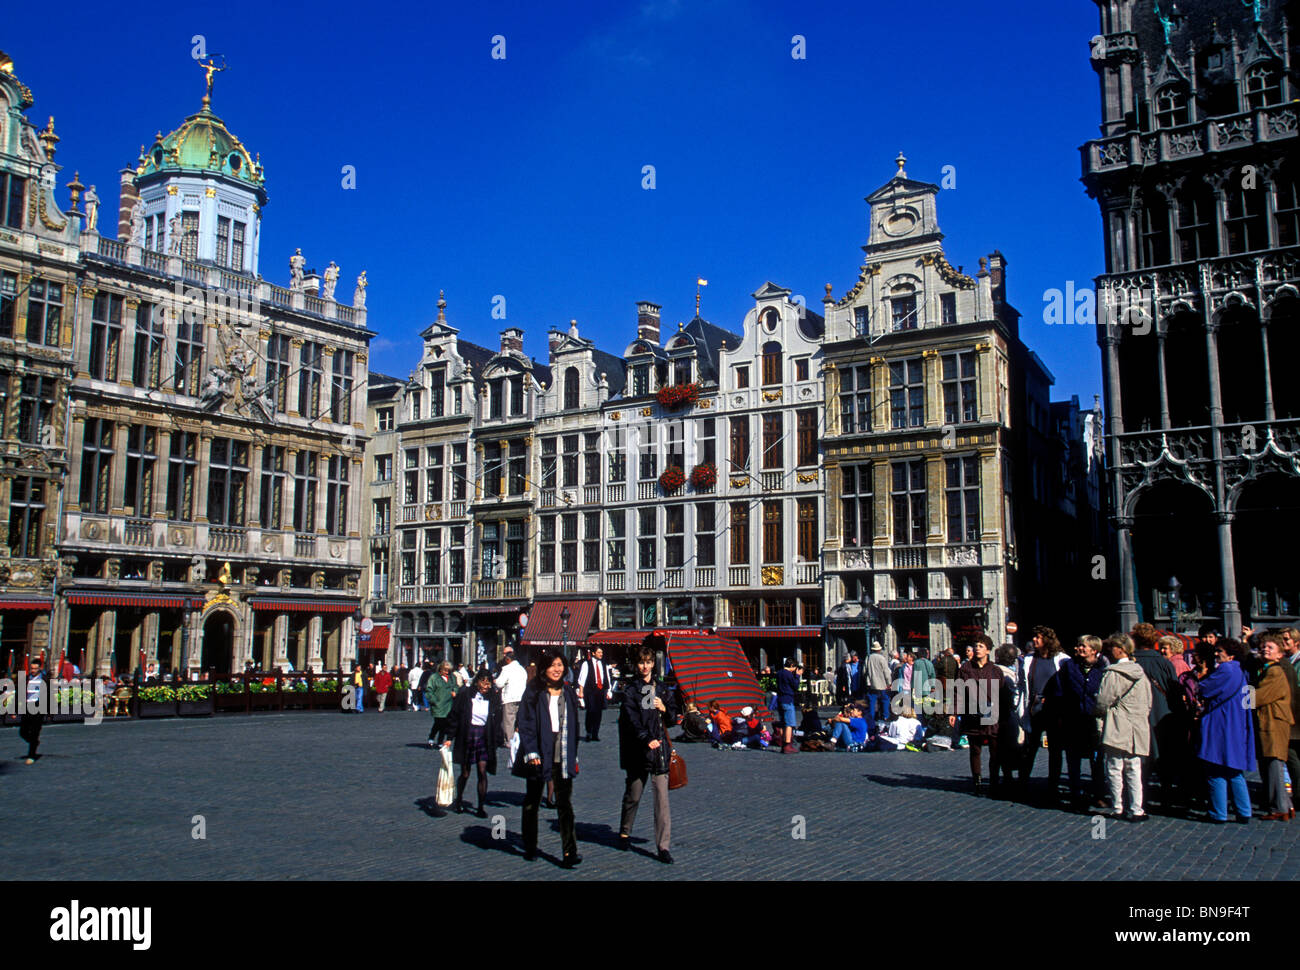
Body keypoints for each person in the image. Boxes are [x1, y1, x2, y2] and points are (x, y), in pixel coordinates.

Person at [515, 649, 582, 866]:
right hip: (538, 751)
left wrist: (574, 753)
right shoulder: (534, 692)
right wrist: (531, 751)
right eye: (553, 665)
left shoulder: (568, 692)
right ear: (545, 668)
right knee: (532, 802)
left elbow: (575, 726)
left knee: (565, 804)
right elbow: (525, 723)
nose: (557, 669)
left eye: (560, 665)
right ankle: (530, 846)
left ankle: (569, 852)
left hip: (562, 750)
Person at [618, 645, 678, 862]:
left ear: (653, 663)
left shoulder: (661, 688)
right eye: (641, 662)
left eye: (648, 662)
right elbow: (631, 719)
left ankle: (663, 846)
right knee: (633, 795)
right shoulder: (631, 689)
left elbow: (673, 718)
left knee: (662, 800)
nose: (645, 666)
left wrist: (665, 708)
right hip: (638, 749)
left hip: (659, 750)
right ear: (637, 664)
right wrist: (645, 738)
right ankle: (625, 831)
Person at [1093, 634, 1153, 822]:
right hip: (1137, 725)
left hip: (1117, 723)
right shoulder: (1140, 672)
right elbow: (1148, 701)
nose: (1110, 650)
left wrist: (1099, 714)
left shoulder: (1114, 673)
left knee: (1114, 766)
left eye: (1112, 647)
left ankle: (1118, 806)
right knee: (1134, 768)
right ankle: (1137, 808)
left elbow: (1103, 701)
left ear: (1120, 649)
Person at [1195, 639, 1254, 824]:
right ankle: (1244, 811)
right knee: (1234, 772)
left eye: (1219, 651)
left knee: (1215, 770)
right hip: (1237, 724)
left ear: (1231, 654)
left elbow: (1203, 688)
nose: (1216, 654)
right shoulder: (1241, 671)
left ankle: (1218, 812)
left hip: (1221, 724)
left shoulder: (1226, 670)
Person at [1131, 622, 1186, 813]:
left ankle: (1140, 796)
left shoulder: (1131, 661)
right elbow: (1174, 691)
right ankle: (1166, 796)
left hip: (1137, 714)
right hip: (1162, 713)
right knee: (1164, 756)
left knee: (1140, 757)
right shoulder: (1163, 662)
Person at [1055, 635, 1109, 811]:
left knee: (1097, 760)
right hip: (1073, 719)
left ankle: (1099, 794)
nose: (1079, 648)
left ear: (1094, 650)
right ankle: (1075, 794)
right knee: (1073, 759)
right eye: (1078, 645)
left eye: (1083, 646)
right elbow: (1059, 690)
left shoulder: (1103, 668)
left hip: (1094, 720)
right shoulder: (1069, 667)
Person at [444, 670, 503, 818]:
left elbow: (496, 721)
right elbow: (454, 715)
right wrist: (449, 736)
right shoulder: (465, 695)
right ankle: (459, 799)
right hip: (467, 734)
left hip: (484, 736)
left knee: (482, 771)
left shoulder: (493, 698)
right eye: (483, 682)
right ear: (477, 682)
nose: (486, 685)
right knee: (465, 772)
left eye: (488, 682)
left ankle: (481, 806)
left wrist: (497, 740)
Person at [949, 635, 1001, 795]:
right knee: (975, 749)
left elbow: (1003, 693)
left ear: (988, 650)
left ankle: (993, 780)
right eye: (976, 645)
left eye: (981, 646)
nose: (977, 648)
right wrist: (953, 711)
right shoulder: (965, 669)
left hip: (992, 714)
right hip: (972, 714)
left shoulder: (995, 670)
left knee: (995, 750)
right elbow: (957, 691)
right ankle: (977, 781)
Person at [1019, 625, 1067, 799]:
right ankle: (1023, 783)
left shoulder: (1062, 660)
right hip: (1034, 708)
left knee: (1055, 749)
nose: (1035, 640)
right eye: (1034, 637)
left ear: (1047, 640)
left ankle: (1053, 785)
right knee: (1029, 748)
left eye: (1038, 637)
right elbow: (1023, 684)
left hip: (1054, 709)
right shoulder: (1029, 659)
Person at [1254, 631, 1295, 821]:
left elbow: (1258, 697)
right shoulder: (1267, 669)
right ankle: (1285, 805)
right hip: (1271, 721)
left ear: (1280, 654)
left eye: (1270, 647)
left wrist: (1244, 691)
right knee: (1273, 763)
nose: (1265, 650)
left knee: (1274, 764)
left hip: (1273, 723)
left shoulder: (1275, 671)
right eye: (1264, 647)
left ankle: (1280, 807)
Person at [991, 645, 1026, 795]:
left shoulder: (994, 670)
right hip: (1007, 714)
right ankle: (1008, 778)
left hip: (996, 714)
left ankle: (997, 779)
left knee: (997, 749)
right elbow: (1016, 697)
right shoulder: (1009, 673)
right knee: (1009, 746)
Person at [575, 646, 613, 742]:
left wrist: (608, 690)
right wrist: (581, 691)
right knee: (591, 711)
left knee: (599, 712)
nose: (601, 654)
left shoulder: (603, 664)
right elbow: (582, 678)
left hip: (600, 690)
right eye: (599, 652)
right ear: (593, 653)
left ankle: (595, 733)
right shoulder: (586, 664)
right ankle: (589, 732)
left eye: (602, 652)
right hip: (591, 690)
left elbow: (607, 677)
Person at [494, 647, 527, 746]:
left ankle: (509, 741)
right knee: (519, 720)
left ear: (508, 660)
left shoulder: (507, 669)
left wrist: (495, 681)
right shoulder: (522, 669)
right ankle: (520, 740)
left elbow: (500, 683)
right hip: (521, 697)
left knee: (509, 721)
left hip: (509, 698)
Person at [19, 657, 45, 764]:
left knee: (35, 732)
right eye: (32, 668)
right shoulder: (26, 678)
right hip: (27, 707)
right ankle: (34, 743)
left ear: (40, 668)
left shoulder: (44, 680)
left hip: (38, 708)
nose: (33, 670)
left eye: (35, 669)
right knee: (23, 731)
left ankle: (31, 755)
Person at [426, 661, 456, 747]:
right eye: (445, 670)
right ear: (441, 669)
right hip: (438, 705)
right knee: (439, 723)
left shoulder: (452, 677)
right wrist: (434, 701)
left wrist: (455, 692)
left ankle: (440, 741)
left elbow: (456, 686)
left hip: (449, 704)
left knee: (445, 723)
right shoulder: (434, 677)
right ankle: (432, 736)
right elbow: (429, 691)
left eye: (449, 670)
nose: (447, 672)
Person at [776, 657, 801, 754]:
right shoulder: (789, 674)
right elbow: (795, 686)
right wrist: (797, 676)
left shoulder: (779, 673)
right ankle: (787, 744)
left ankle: (782, 743)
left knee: (782, 723)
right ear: (792, 666)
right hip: (788, 699)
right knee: (789, 723)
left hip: (780, 698)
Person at [865, 642, 891, 726]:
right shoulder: (882, 658)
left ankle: (871, 717)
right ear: (879, 649)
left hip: (872, 683)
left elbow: (864, 671)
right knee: (885, 699)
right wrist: (889, 682)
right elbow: (886, 671)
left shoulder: (868, 658)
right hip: (882, 683)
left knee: (872, 701)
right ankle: (885, 716)